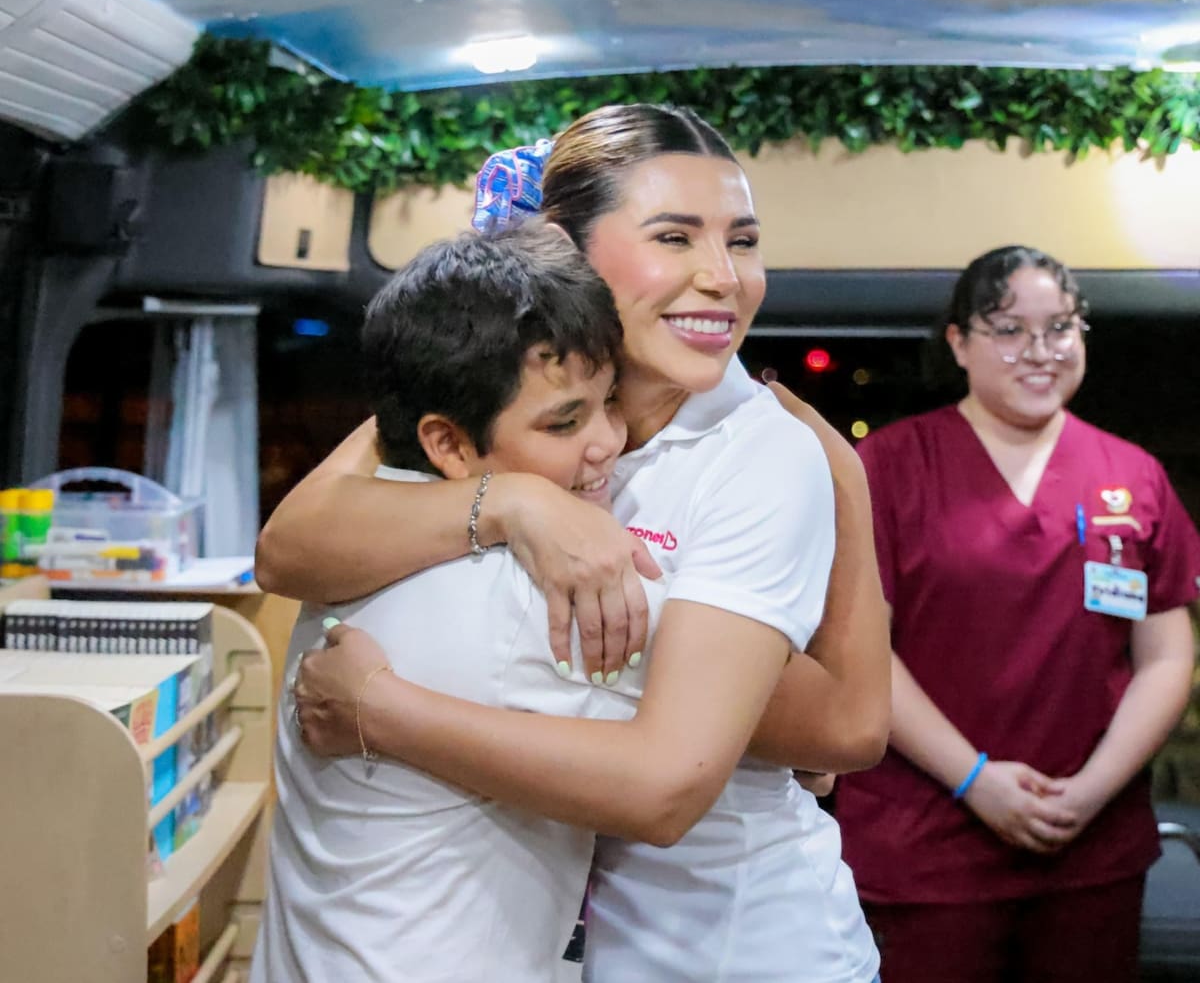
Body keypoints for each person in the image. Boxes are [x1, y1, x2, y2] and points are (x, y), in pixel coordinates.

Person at [275, 103, 889, 982]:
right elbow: (292, 545)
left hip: (734, 951)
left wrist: (381, 712)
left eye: (742, 241)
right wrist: (518, 503)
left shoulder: (761, 449)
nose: (722, 276)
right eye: (674, 238)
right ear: (563, 245)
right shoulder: (510, 382)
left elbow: (827, 729)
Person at [250, 222, 655, 982]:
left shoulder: (362, 539)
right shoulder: (535, 596)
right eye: (565, 421)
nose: (606, 442)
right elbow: (758, 747)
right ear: (447, 443)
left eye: (610, 404)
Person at [836, 244, 1200, 983]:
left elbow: (1165, 656)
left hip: (1090, 847)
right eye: (1008, 329)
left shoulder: (1132, 476)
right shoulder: (891, 469)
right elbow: (860, 650)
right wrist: (975, 779)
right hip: (926, 846)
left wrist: (1093, 789)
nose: (1040, 352)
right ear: (960, 343)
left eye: (1060, 327)